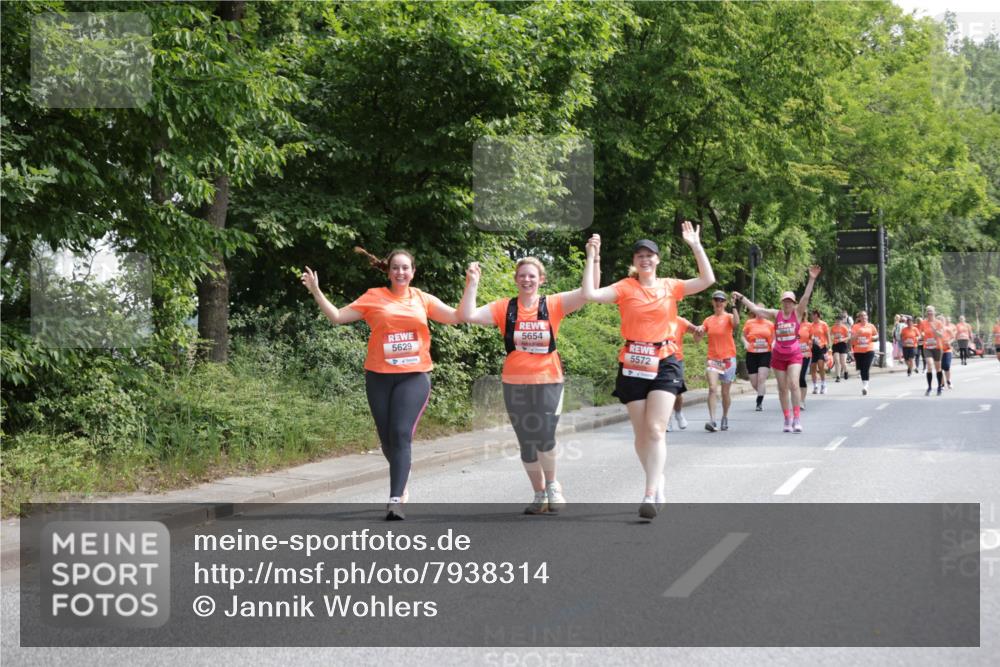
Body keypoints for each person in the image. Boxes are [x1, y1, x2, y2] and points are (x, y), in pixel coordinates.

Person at [301, 249, 463, 521]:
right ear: (388, 272)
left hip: (414, 376)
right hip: (378, 376)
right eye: (396, 268)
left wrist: (471, 284)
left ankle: (395, 499)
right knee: (387, 438)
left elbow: (457, 316)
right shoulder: (373, 296)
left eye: (406, 268)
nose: (401, 273)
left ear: (413, 272)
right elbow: (338, 317)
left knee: (401, 433)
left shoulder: (422, 299)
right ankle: (403, 471)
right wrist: (317, 291)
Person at [582, 223, 714, 520]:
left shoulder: (671, 286)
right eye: (640, 255)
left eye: (650, 255)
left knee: (656, 429)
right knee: (641, 434)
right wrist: (593, 256)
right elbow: (589, 293)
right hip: (633, 361)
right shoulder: (624, 288)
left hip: (665, 359)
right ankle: (658, 479)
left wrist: (695, 245)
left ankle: (651, 491)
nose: (645, 259)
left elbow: (707, 279)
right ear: (635, 261)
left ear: (657, 260)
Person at [460, 257, 593, 515]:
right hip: (514, 383)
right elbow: (468, 315)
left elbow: (587, 294)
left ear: (541, 279)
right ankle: (539, 493)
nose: (527, 280)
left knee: (544, 434)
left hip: (548, 380)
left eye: (532, 276)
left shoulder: (552, 304)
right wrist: (472, 283)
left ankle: (554, 486)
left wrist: (593, 257)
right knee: (526, 443)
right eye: (522, 275)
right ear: (516, 280)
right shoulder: (504, 308)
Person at [733, 265, 821, 433]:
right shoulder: (775, 314)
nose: (787, 304)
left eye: (790, 301)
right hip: (778, 356)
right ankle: (787, 418)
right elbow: (756, 309)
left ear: (793, 303)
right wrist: (741, 297)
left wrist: (811, 279)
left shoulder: (797, 313)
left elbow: (806, 297)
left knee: (794, 384)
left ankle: (797, 418)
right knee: (782, 388)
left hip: (794, 354)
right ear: (782, 303)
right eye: (785, 301)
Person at [702, 291, 739, 432]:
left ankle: (724, 416)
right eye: (716, 300)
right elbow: (698, 337)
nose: (719, 302)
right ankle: (712, 420)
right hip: (713, 359)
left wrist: (734, 306)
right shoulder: (708, 320)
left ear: (725, 303)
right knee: (712, 388)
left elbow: (736, 323)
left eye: (721, 300)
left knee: (725, 393)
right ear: (712, 302)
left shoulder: (729, 316)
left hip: (728, 358)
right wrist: (698, 331)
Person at [667, 316, 702, 432]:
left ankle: (678, 413)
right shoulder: (656, 318)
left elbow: (696, 330)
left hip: (676, 360)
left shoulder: (680, 321)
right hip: (660, 360)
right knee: (664, 391)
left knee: (677, 391)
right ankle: (667, 420)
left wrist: (699, 332)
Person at [742, 307, 775, 411]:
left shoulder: (770, 324)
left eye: (762, 311)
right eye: (758, 311)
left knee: (761, 379)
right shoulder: (749, 323)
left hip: (765, 353)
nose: (760, 313)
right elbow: (743, 336)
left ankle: (759, 403)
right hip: (751, 354)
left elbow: (774, 338)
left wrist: (773, 344)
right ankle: (761, 391)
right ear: (754, 312)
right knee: (754, 382)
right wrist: (745, 342)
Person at [849, 310, 879, 396]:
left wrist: (872, 337)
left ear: (867, 317)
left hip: (869, 349)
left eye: (865, 316)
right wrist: (857, 334)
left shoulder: (871, 326)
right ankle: (864, 383)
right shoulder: (855, 327)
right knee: (862, 369)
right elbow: (851, 340)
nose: (864, 317)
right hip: (858, 350)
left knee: (866, 366)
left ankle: (865, 386)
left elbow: (877, 335)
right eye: (862, 316)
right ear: (859, 318)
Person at [918, 306, 946, 396]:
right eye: (928, 311)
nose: (929, 313)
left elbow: (941, 335)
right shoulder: (923, 323)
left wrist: (935, 330)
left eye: (931, 311)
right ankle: (929, 387)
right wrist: (922, 335)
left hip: (937, 347)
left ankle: (939, 387)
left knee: (938, 368)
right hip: (927, 347)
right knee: (929, 365)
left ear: (934, 312)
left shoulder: (938, 323)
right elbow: (921, 333)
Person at [809, 309, 830, 394]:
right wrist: (812, 339)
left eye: (812, 315)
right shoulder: (810, 325)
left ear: (816, 315)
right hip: (814, 348)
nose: (811, 317)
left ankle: (823, 385)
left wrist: (829, 347)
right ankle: (815, 386)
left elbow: (827, 335)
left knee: (821, 366)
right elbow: (809, 336)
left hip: (822, 347)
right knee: (813, 367)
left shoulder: (823, 324)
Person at [797, 316, 813, 409]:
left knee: (802, 377)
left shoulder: (808, 325)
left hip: (805, 354)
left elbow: (811, 338)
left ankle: (802, 401)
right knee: (795, 378)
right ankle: (797, 399)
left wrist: (809, 345)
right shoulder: (792, 324)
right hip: (793, 355)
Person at [831, 314, 850, 382]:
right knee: (836, 360)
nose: (838, 322)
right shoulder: (833, 327)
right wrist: (833, 337)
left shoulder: (844, 327)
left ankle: (846, 371)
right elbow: (831, 336)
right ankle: (838, 376)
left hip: (843, 345)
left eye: (839, 320)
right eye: (837, 320)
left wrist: (842, 339)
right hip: (835, 345)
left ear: (841, 321)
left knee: (843, 362)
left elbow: (848, 337)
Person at [941, 315, 956, 388]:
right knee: (940, 368)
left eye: (942, 321)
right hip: (938, 351)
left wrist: (949, 342)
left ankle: (948, 381)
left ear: (944, 322)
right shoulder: (935, 331)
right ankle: (942, 384)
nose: (940, 322)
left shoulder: (947, 329)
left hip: (947, 350)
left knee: (946, 366)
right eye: (939, 321)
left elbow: (953, 337)